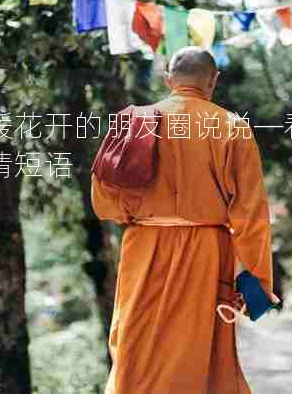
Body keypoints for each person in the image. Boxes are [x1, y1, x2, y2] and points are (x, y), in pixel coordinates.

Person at [92, 46, 277, 394]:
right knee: (201, 356)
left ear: (168, 80)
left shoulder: (132, 122)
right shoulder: (232, 128)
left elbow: (105, 202)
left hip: (144, 249)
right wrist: (257, 284)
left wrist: (138, 212)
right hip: (206, 253)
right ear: (213, 81)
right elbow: (252, 215)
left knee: (137, 347)